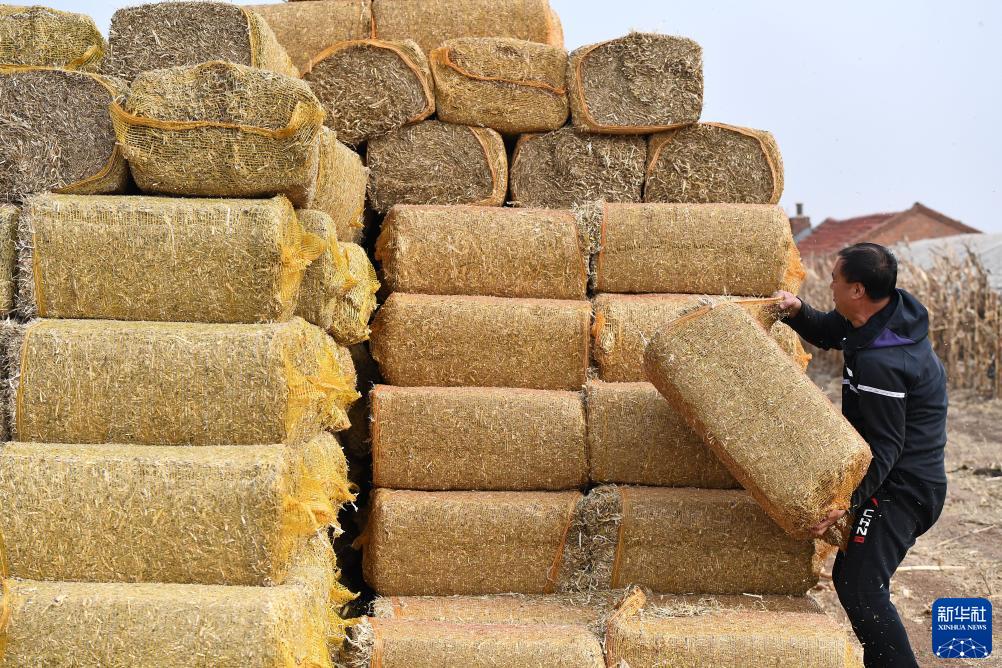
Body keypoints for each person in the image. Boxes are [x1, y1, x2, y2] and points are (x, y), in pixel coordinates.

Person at [775, 242, 948, 668]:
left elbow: (887, 447)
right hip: (894, 475)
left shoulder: (884, 362)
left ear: (857, 290)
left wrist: (846, 501)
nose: (829, 285)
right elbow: (832, 331)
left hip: (905, 488)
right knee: (855, 580)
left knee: (861, 585)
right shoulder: (882, 315)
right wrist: (798, 310)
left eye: (835, 279)